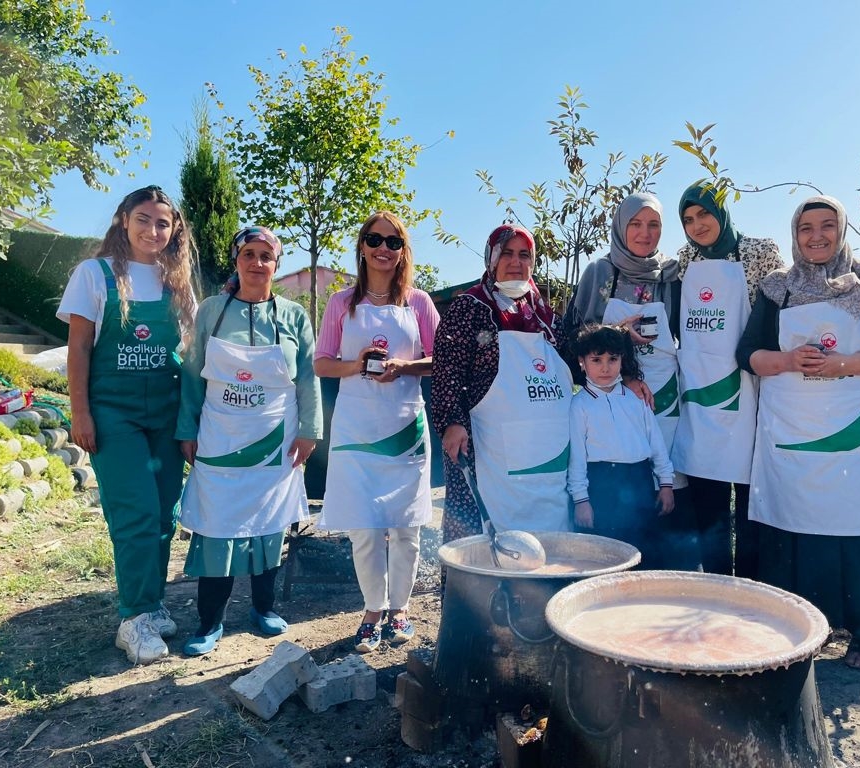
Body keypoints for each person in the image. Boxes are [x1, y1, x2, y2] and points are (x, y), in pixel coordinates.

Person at [736, 195, 860, 669]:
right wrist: (788, 361)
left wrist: (842, 364)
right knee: (797, 522)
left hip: (856, 428)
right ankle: (799, 624)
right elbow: (748, 352)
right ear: (794, 234)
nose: (816, 236)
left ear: (842, 230)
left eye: (827, 226)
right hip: (795, 427)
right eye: (806, 228)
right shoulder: (777, 287)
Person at [58, 185, 198, 664]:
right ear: (123, 220)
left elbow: (189, 354)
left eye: (163, 223)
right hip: (113, 413)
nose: (152, 230)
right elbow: (79, 349)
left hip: (165, 411)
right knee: (135, 512)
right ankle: (133, 618)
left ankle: (153, 603)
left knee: (163, 514)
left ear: (174, 230)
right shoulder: (94, 275)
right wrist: (80, 412)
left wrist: (190, 422)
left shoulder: (176, 283)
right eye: (143, 219)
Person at [176, 226, 321, 656]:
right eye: (250, 254)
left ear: (277, 264)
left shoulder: (293, 315)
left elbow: (309, 376)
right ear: (236, 260)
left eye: (267, 256)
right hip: (221, 437)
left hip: (277, 440)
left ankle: (263, 608)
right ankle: (210, 622)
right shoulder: (212, 311)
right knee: (218, 526)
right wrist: (187, 428)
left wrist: (310, 430)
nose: (258, 263)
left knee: (270, 526)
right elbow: (191, 372)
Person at [315, 212, 439, 654]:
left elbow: (442, 359)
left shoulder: (419, 303)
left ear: (403, 250)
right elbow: (321, 362)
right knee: (365, 529)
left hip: (406, 425)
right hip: (355, 427)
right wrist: (358, 365)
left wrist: (404, 367)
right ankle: (372, 609)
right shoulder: (340, 304)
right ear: (362, 246)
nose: (383, 248)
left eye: (393, 241)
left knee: (406, 528)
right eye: (374, 239)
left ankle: (399, 609)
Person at [564, 192, 696, 569]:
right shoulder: (601, 273)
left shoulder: (670, 276)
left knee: (666, 490)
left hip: (665, 396)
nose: (645, 233)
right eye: (635, 224)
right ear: (621, 227)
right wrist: (623, 369)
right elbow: (574, 337)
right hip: (616, 392)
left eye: (654, 224)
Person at [431, 224, 572, 549]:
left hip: (545, 452)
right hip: (484, 447)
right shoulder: (470, 308)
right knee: (481, 545)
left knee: (550, 539)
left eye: (524, 255)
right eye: (506, 253)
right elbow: (447, 369)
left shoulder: (543, 314)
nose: (516, 261)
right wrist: (451, 422)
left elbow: (576, 362)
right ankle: (475, 599)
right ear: (491, 258)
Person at [671, 181, 784, 578]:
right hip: (703, 396)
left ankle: (753, 589)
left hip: (754, 389)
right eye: (687, 219)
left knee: (753, 504)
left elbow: (777, 315)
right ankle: (718, 587)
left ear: (721, 211)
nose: (697, 225)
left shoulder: (760, 251)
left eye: (704, 213)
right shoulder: (682, 262)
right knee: (710, 505)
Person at [568, 324, 676, 567]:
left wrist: (666, 484)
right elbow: (576, 457)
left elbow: (656, 443)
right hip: (601, 486)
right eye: (596, 359)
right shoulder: (579, 405)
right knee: (605, 558)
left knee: (644, 554)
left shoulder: (637, 398)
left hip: (639, 482)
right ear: (582, 362)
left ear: (622, 360)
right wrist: (581, 500)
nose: (605, 367)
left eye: (612, 359)